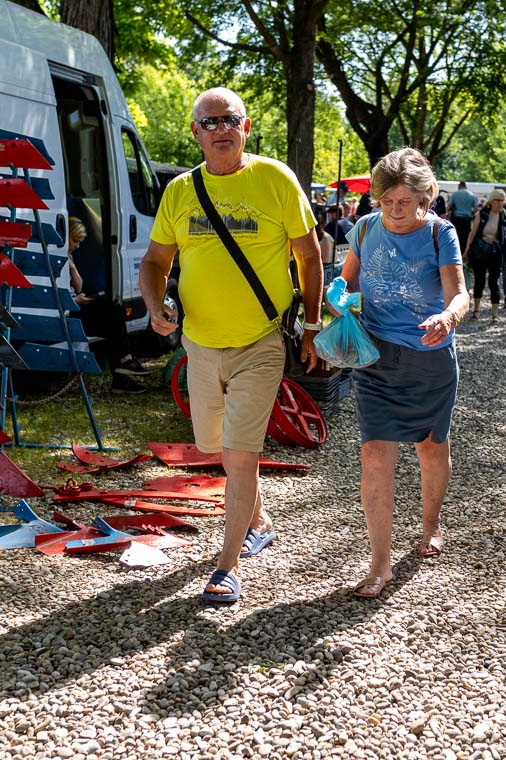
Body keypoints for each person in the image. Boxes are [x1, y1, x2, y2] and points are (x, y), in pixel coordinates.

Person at [138, 87, 323, 604]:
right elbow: (155, 262)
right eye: (210, 122)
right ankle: (259, 519)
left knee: (241, 453)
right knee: (215, 446)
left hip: (260, 341)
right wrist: (155, 306)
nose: (221, 129)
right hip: (199, 345)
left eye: (230, 120)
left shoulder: (275, 179)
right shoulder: (180, 191)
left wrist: (312, 325)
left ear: (245, 127)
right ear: (195, 132)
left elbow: (310, 258)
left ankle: (226, 566)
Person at [336, 147, 470, 598]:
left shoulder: (440, 233)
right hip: (374, 357)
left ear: (424, 199)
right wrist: (338, 297)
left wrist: (447, 318)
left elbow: (460, 294)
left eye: (405, 202)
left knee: (430, 447)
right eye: (387, 201)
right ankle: (380, 564)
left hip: (429, 359)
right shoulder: (364, 228)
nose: (395, 211)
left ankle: (431, 524)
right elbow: (348, 280)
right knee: (374, 454)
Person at [65, 215, 150, 394]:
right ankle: (124, 367)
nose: (77, 246)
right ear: (66, 236)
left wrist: (71, 266)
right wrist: (75, 300)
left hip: (74, 306)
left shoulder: (68, 257)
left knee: (113, 314)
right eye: (74, 241)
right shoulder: (53, 258)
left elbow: (79, 286)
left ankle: (122, 373)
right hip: (67, 311)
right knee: (112, 317)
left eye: (79, 242)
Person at [463, 189, 506, 323]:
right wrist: (466, 251)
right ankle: (476, 311)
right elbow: (472, 233)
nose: (499, 203)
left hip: (496, 253)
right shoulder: (482, 214)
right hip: (480, 252)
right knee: (479, 281)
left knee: (494, 282)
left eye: (502, 201)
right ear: (492, 201)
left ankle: (495, 314)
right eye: (497, 200)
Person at [448, 181, 476, 249]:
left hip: (457, 219)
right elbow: (476, 208)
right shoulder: (472, 195)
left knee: (457, 236)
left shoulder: (455, 194)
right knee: (466, 237)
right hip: (467, 220)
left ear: (459, 186)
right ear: (466, 186)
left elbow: (449, 206)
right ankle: (464, 251)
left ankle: (457, 249)